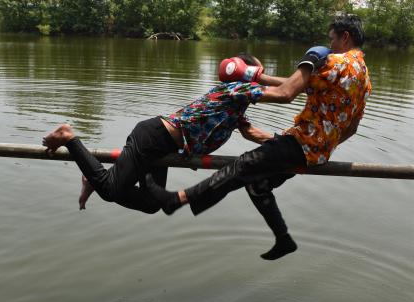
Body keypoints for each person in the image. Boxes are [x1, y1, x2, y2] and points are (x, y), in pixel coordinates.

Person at [147, 15, 372, 260]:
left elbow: (287, 92)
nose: (329, 45)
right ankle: (283, 239)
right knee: (257, 183)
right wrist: (255, 75)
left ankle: (178, 199)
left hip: (301, 144)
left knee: (244, 165)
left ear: (345, 37)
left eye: (332, 39)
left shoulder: (335, 62)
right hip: (318, 151)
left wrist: (305, 63)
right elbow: (350, 128)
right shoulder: (364, 77)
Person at [42, 53, 275, 214]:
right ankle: (68, 137)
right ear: (246, 73)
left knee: (153, 203)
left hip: (165, 147)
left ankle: (96, 178)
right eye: (256, 71)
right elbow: (284, 93)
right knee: (111, 190)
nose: (259, 76)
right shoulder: (234, 90)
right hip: (153, 137)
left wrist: (284, 143)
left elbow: (251, 133)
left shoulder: (236, 106)